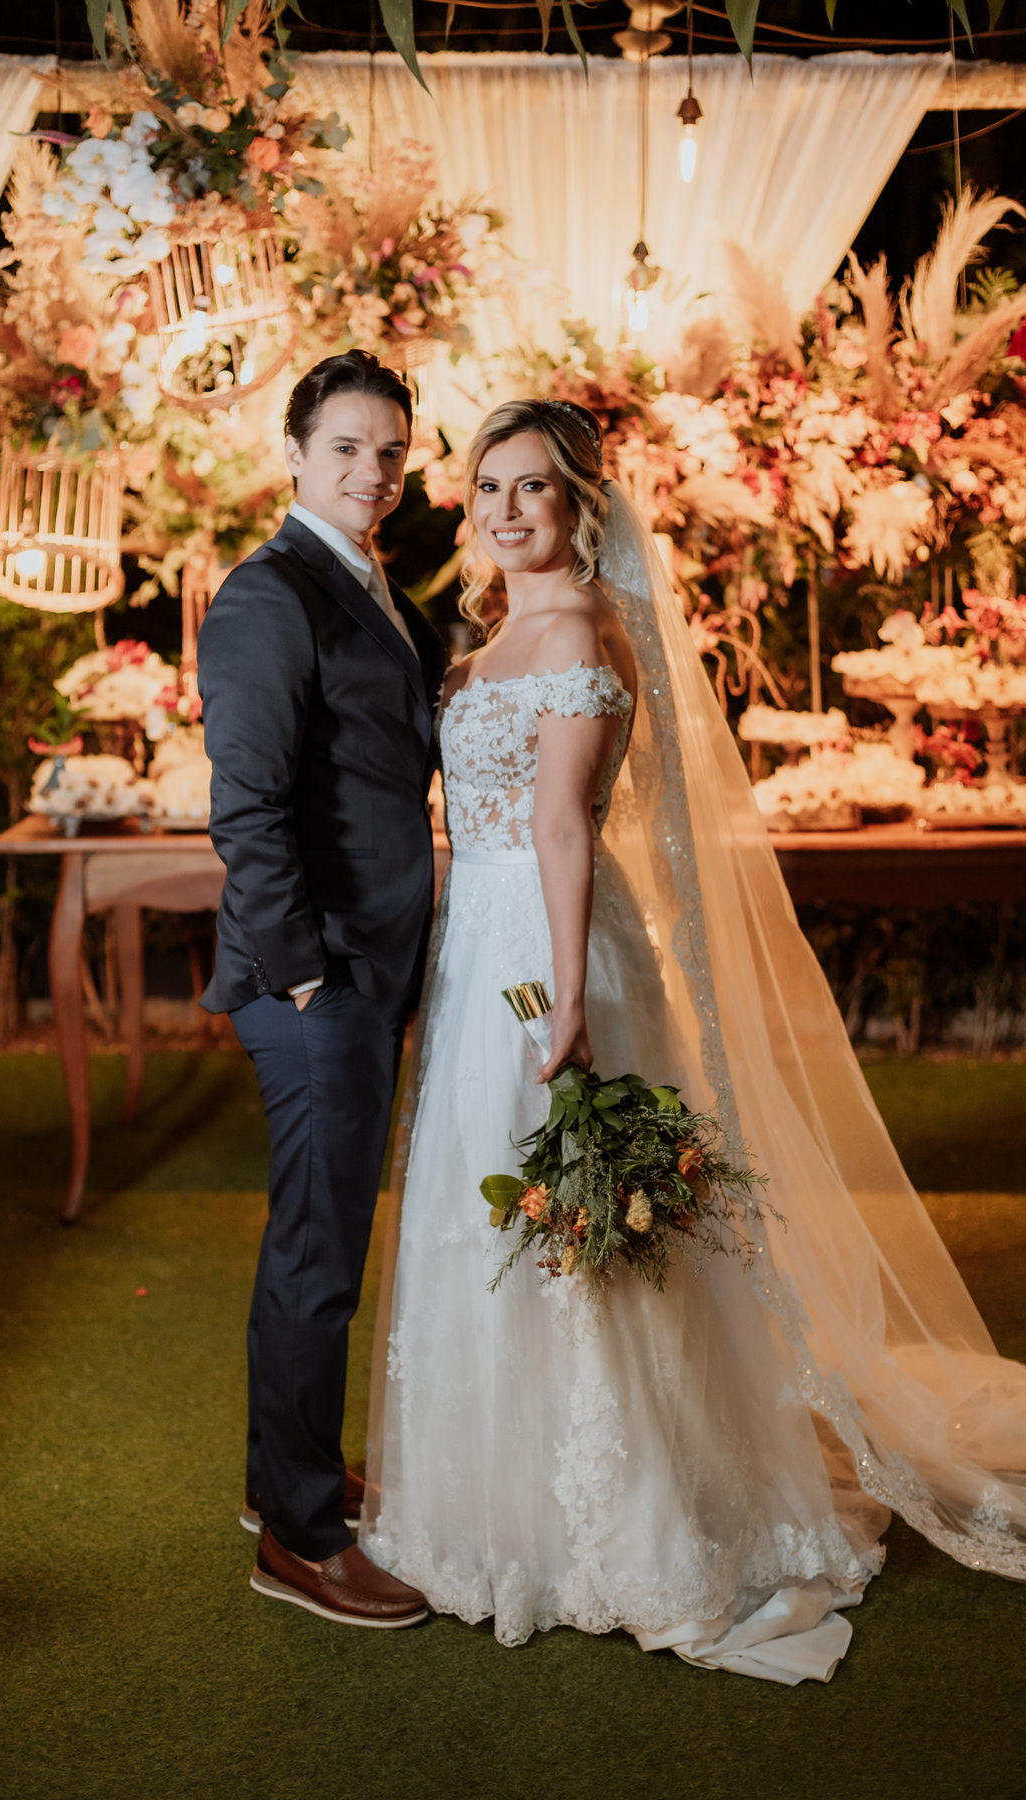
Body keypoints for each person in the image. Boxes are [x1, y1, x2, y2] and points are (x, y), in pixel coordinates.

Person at [362, 397, 1026, 1681]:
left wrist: (568, 999)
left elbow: (563, 824)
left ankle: (636, 1522)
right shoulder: (494, 637)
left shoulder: (580, 632)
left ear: (579, 505)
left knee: (580, 1227)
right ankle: (499, 1505)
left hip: (551, 949)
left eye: (532, 487)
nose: (505, 510)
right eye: (488, 486)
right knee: (493, 1213)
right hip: (481, 941)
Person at [199, 350, 447, 1628]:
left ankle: (281, 1477)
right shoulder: (267, 594)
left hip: (365, 963)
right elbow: (245, 808)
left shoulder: (371, 586)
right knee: (320, 1253)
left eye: (391, 451)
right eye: (347, 447)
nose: (373, 471)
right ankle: (299, 1541)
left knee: (315, 1235)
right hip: (315, 977)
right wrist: (303, 976)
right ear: (293, 454)